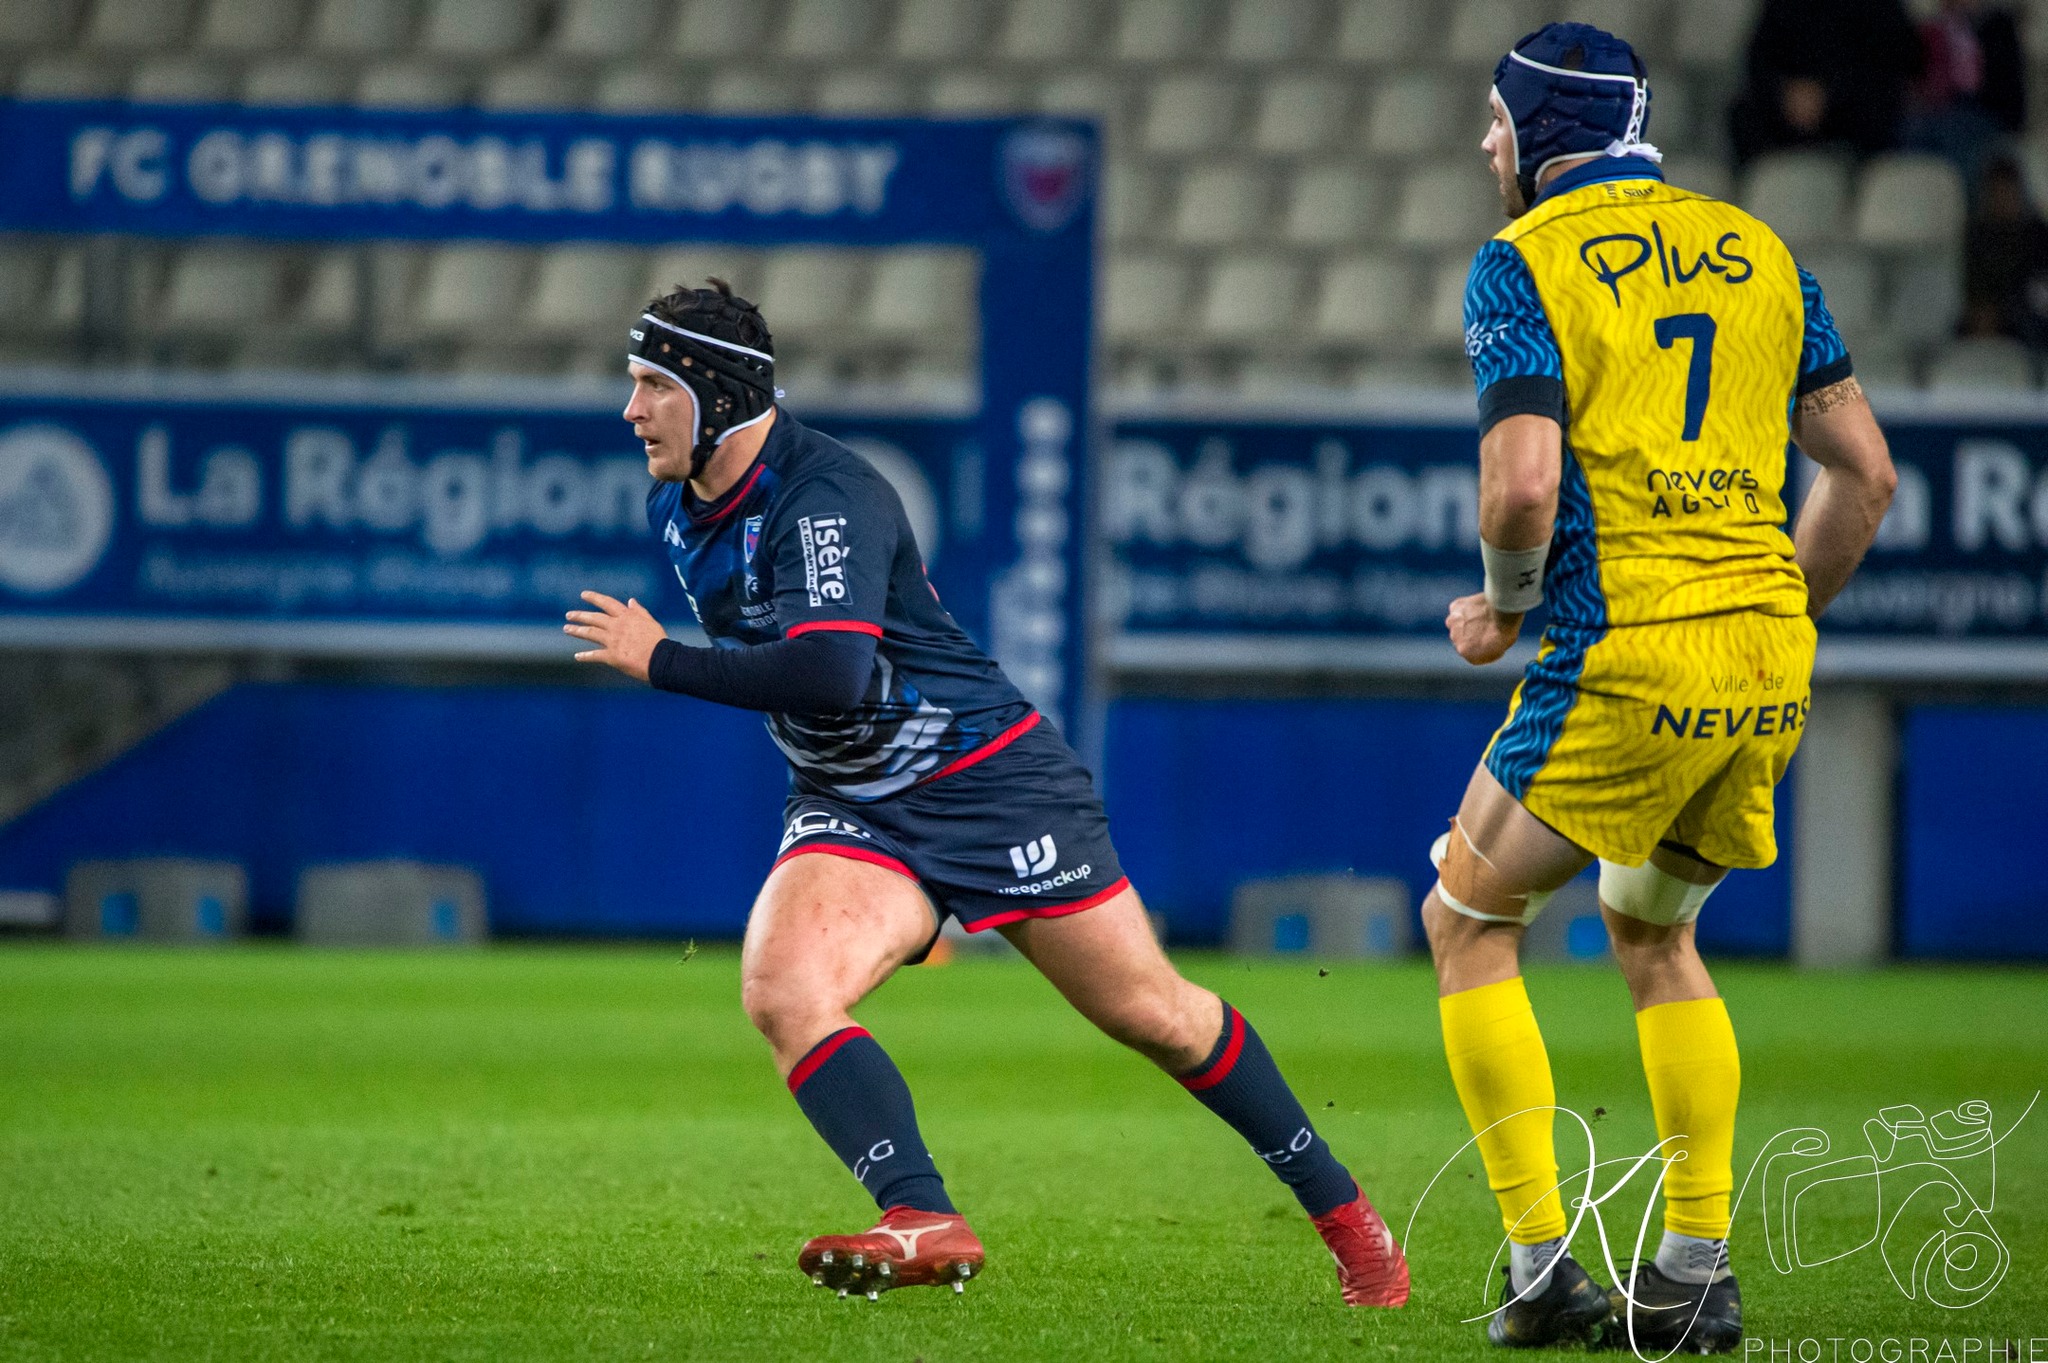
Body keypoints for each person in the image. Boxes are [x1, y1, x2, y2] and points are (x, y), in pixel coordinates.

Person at [562, 279, 1410, 1306]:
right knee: (782, 988)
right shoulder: (677, 505)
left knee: (1157, 1016)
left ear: (719, 394)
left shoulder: (824, 496)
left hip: (989, 784)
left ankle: (1351, 1221)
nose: (632, 409)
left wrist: (662, 660)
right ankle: (920, 1213)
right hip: (853, 800)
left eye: (653, 384)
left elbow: (830, 671)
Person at [1439, 22, 1898, 1354]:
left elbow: (1522, 485)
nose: (1484, 145)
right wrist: (1770, 615)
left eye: (1495, 121)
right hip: (1763, 655)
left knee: (1465, 919)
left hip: (1622, 648)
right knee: (1652, 934)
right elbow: (1864, 474)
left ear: (1539, 132)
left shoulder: (1521, 259)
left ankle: (1539, 1268)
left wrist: (1503, 606)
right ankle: (1695, 1268)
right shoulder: (1763, 251)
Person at [1727, 0, 1922, 166]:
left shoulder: (1878, 6)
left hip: (1854, 110)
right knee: (1744, 115)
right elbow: (1760, 59)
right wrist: (1787, 93)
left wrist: (1828, 95)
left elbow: (1901, 58)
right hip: (1790, 111)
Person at [1906, 0, 2026, 193]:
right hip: (1940, 113)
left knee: (1959, 144)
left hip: (1983, 113)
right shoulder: (1935, 30)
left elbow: (2004, 88)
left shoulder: (1996, 25)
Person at [1963, 156, 2048, 345]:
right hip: (1993, 326)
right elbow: (1975, 291)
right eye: (1997, 193)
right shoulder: (1977, 236)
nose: (2003, 200)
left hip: (2032, 321)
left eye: (2008, 192)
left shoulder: (2038, 232)